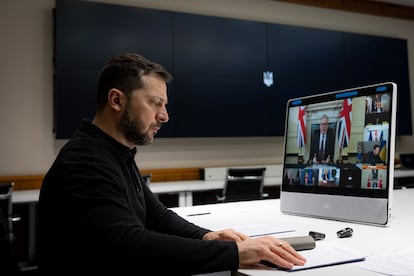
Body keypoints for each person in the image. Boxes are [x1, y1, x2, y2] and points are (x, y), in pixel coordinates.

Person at [38, 53, 306, 275]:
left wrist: (206, 237)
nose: (164, 116)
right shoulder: (84, 162)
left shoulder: (114, 152)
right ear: (116, 100)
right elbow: (129, 245)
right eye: (155, 103)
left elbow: (156, 216)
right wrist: (235, 253)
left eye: (164, 104)